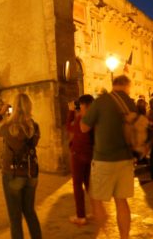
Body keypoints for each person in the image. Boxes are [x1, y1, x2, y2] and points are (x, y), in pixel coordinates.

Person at [81, 75, 136, 239]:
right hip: (126, 159)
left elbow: (84, 127)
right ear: (127, 86)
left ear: (114, 85)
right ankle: (124, 237)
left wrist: (87, 115)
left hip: (104, 159)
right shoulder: (131, 103)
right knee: (121, 201)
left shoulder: (102, 100)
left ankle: (105, 233)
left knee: (96, 199)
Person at [0, 93, 42, 239]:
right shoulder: (35, 127)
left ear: (15, 108)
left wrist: (1, 113)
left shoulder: (8, 127)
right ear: (29, 107)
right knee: (30, 212)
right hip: (31, 174)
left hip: (13, 175)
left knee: (15, 217)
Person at [66, 94, 95, 225]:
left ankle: (81, 216)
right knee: (89, 184)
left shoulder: (82, 119)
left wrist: (71, 112)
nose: (80, 107)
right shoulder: (95, 119)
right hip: (90, 155)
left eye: (81, 105)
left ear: (85, 105)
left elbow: (69, 127)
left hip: (78, 155)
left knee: (78, 186)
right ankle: (96, 211)